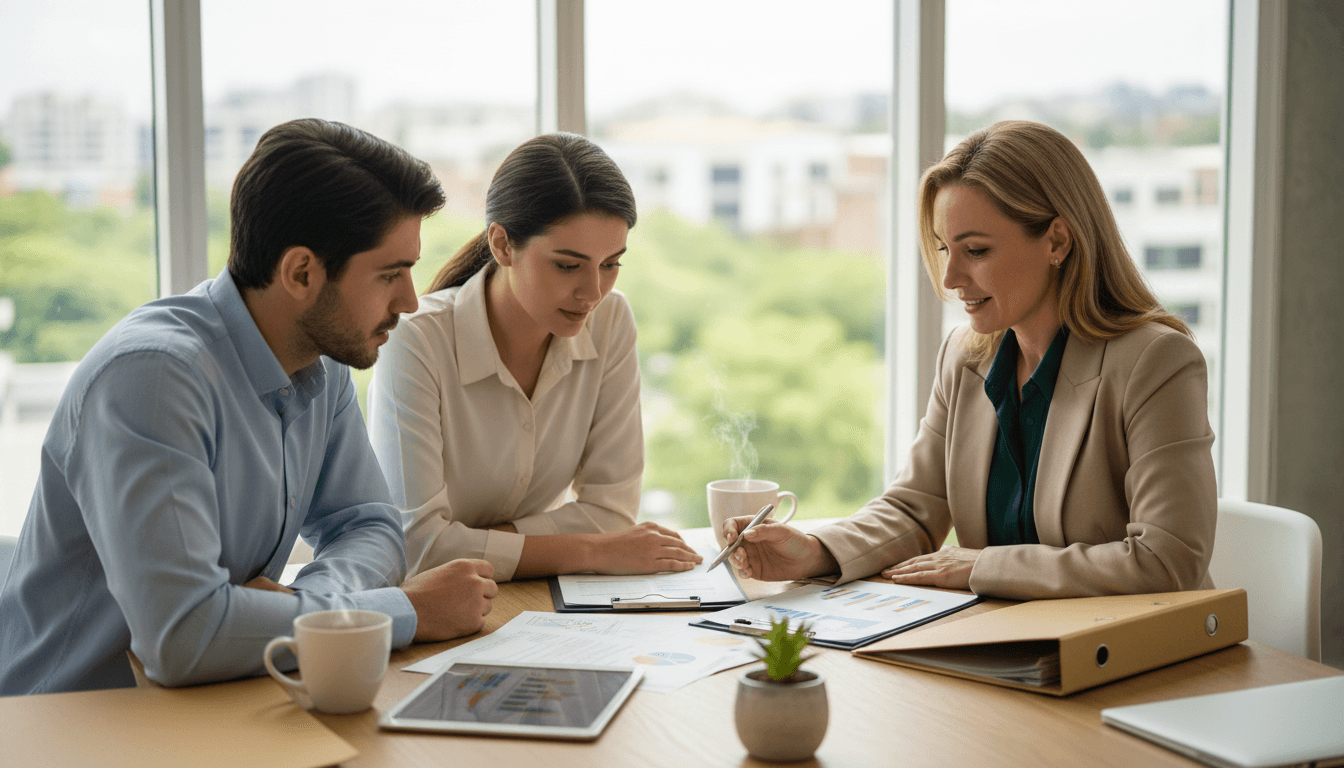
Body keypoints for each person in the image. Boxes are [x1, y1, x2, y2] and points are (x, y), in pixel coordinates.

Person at [0, 119, 498, 695]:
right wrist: (401, 613)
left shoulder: (324, 356)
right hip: (75, 722)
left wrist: (310, 608)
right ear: (301, 273)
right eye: (390, 275)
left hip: (216, 702)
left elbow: (368, 522)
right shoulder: (153, 379)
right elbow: (184, 637)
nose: (410, 302)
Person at [725, 120, 1217, 600]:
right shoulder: (965, 357)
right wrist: (813, 551)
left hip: (1127, 656)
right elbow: (916, 510)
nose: (951, 278)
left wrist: (984, 565)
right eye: (944, 250)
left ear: (1057, 241)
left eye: (976, 251)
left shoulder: (1156, 362)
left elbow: (1166, 560)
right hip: (1001, 645)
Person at [367, 133, 700, 581]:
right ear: (503, 245)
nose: (593, 292)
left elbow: (611, 514)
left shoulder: (611, 320)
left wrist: (476, 541)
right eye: (567, 265)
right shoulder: (416, 341)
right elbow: (417, 548)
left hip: (536, 599)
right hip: (441, 606)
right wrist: (589, 551)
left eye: (610, 263)